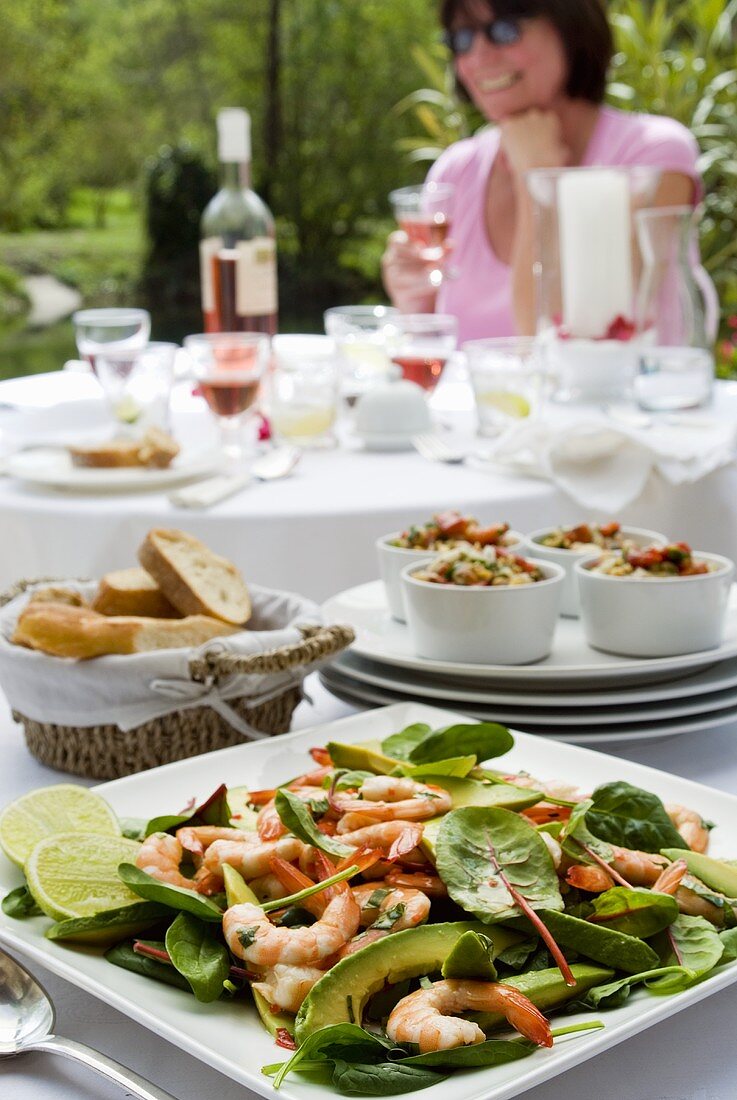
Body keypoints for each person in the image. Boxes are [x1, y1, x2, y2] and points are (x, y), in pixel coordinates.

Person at [382, 0, 713, 343]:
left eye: (504, 30)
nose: (478, 56)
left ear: (572, 28)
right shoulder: (455, 171)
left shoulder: (652, 155)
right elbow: (433, 355)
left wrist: (537, 178)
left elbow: (560, 340)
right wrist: (412, 297)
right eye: (461, 39)